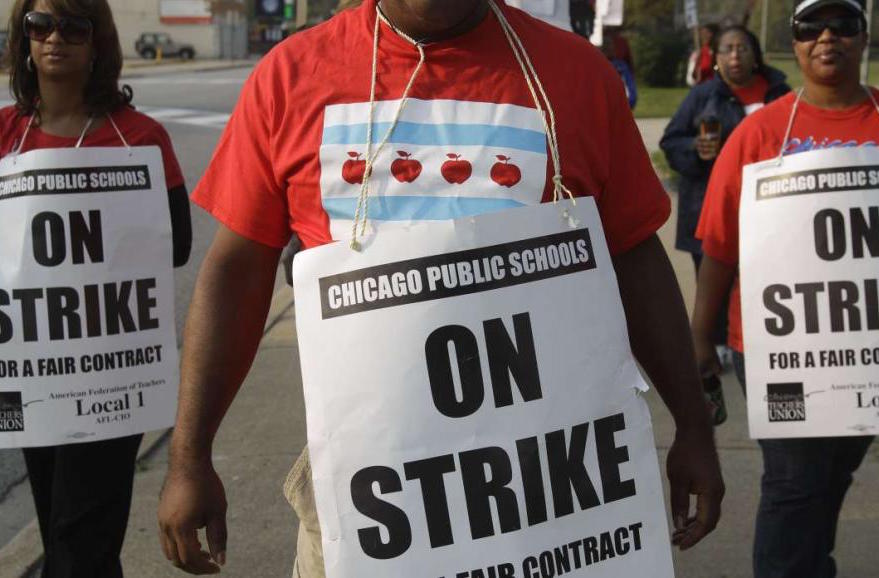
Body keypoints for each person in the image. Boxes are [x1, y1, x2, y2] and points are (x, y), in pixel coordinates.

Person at [156, 1, 724, 575]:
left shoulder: (575, 74)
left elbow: (634, 257)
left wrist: (693, 425)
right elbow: (235, 274)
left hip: (554, 497)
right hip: (371, 499)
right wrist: (189, 457)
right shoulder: (291, 75)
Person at [0, 0, 192, 575]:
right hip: (32, 371)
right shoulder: (6, 134)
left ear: (97, 43)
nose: (55, 38)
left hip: (110, 377)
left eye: (73, 26)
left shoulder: (138, 137)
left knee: (81, 540)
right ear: (24, 39)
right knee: (61, 525)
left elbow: (178, 245)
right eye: (40, 25)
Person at [693, 0, 875, 575]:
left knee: (831, 476)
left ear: (864, 37)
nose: (827, 37)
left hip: (866, 350)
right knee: (794, 485)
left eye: (844, 25)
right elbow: (719, 246)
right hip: (778, 352)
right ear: (793, 45)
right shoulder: (760, 133)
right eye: (809, 27)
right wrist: (699, 340)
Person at [661, 24, 790, 404]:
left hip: (774, 212)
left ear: (756, 53)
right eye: (727, 50)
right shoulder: (703, 96)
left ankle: (765, 338)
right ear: (715, 59)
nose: (735, 57)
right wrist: (694, 151)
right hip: (711, 206)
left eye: (742, 48)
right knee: (713, 278)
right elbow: (671, 141)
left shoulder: (780, 94)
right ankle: (716, 345)